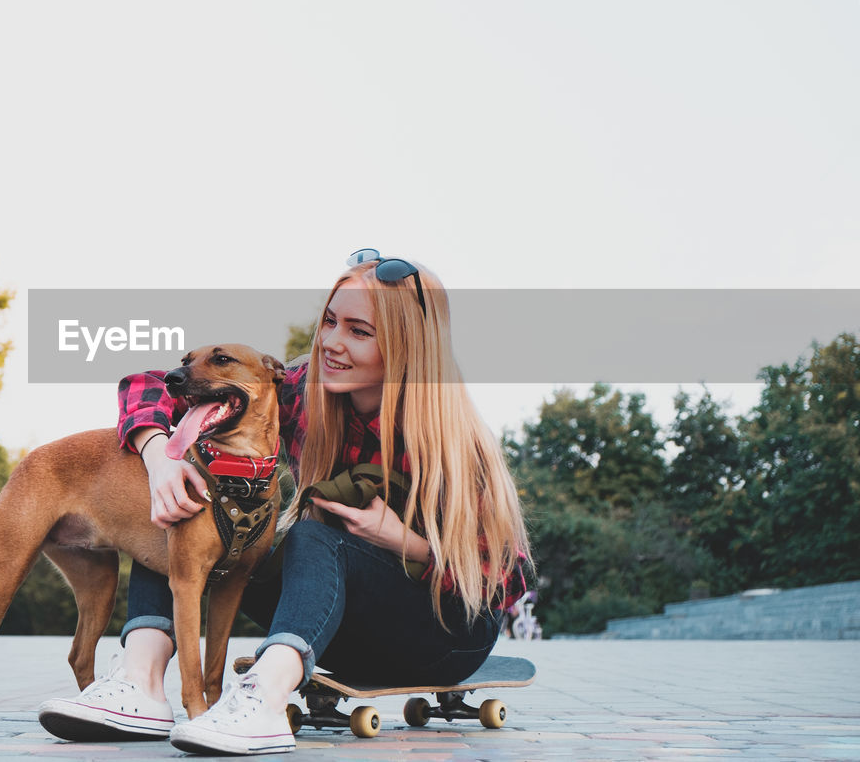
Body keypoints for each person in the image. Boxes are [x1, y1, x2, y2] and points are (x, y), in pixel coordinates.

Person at [38, 249, 531, 755]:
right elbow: (148, 384)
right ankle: (141, 680)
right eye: (330, 322)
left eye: (360, 332)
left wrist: (404, 541)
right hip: (339, 630)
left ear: (407, 348)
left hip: (444, 638)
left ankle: (266, 699)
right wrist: (160, 457)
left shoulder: (449, 438)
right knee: (185, 505)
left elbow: (507, 581)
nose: (332, 343)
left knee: (312, 535)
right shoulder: (301, 392)